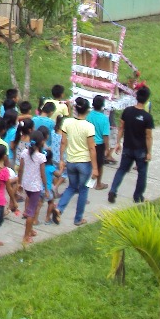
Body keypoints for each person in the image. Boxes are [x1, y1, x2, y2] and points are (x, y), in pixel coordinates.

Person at [55, 97, 100, 227]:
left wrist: (61, 160)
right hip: (84, 162)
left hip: (71, 161)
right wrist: (95, 168)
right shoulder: (89, 127)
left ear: (75, 109)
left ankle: (59, 208)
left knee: (71, 187)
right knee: (83, 190)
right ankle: (78, 218)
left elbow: (63, 142)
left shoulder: (67, 122)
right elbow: (92, 148)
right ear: (87, 111)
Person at [109, 86, 155, 204]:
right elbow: (148, 136)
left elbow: (121, 128)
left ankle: (113, 190)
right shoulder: (147, 117)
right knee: (142, 173)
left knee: (121, 170)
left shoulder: (127, 111)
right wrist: (149, 152)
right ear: (147, 99)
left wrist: (118, 143)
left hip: (127, 147)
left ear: (136, 97)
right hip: (141, 150)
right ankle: (138, 196)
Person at [17, 132, 46, 244]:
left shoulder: (25, 152)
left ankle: (30, 230)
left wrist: (19, 183)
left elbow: (20, 169)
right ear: (41, 142)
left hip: (26, 184)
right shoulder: (41, 157)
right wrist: (46, 188)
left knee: (29, 206)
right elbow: (42, 174)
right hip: (35, 187)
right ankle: (26, 236)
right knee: (31, 212)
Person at [87, 95, 112, 184]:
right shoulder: (104, 118)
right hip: (99, 144)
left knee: (88, 162)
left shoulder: (88, 115)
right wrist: (107, 148)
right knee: (99, 164)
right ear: (102, 105)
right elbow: (105, 135)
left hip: (88, 142)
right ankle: (98, 183)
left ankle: (87, 181)